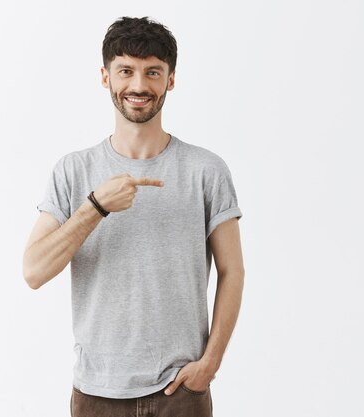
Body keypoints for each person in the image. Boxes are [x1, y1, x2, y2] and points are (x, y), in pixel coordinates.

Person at [22, 16, 244, 417]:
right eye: (126, 70)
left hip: (182, 392)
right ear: (105, 77)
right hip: (96, 395)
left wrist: (210, 364)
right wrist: (95, 207)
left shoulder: (205, 170)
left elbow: (233, 271)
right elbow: (34, 271)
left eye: (153, 72)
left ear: (170, 80)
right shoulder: (73, 171)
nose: (139, 85)